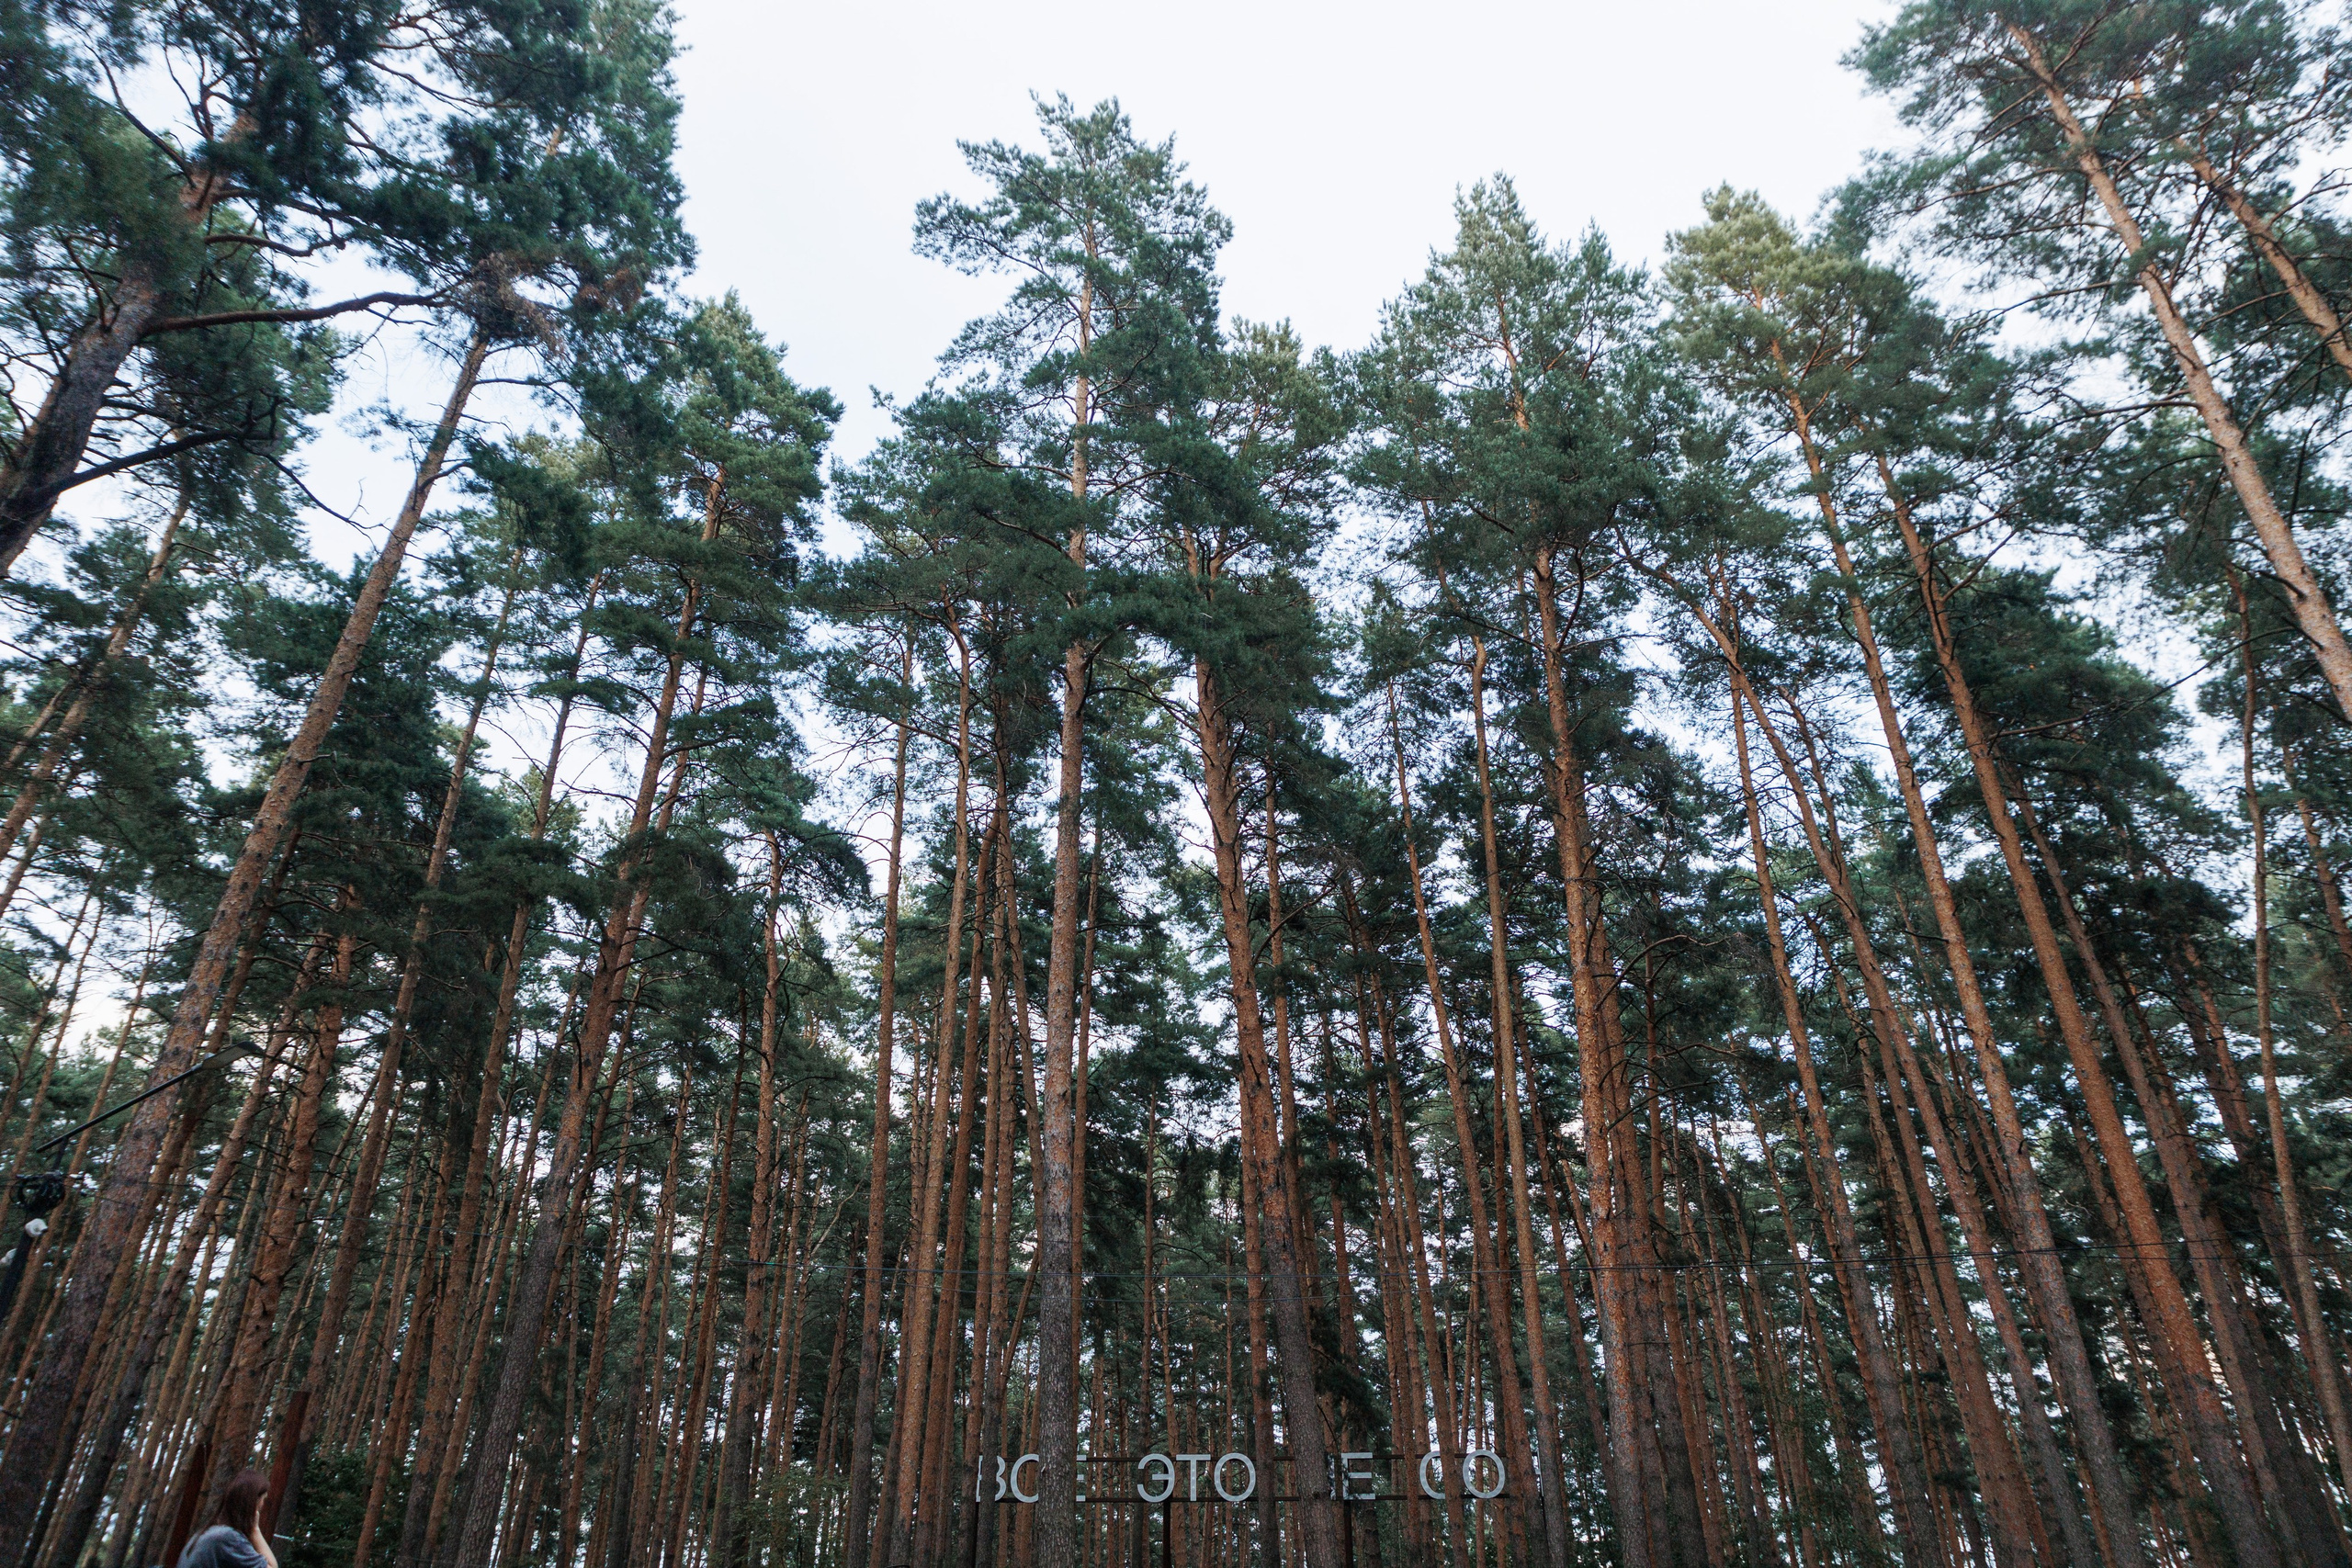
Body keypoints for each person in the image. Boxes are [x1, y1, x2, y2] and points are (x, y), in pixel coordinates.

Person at [175, 1470, 277, 1568]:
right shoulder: (229, 1538)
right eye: (263, 1499)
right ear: (252, 1503)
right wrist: (255, 1529)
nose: (263, 1505)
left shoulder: (208, 1533)